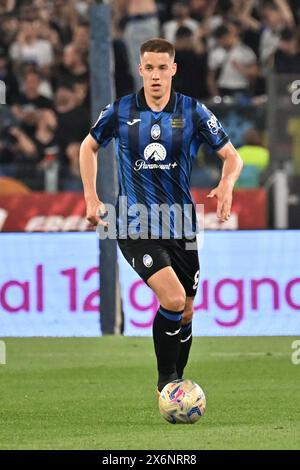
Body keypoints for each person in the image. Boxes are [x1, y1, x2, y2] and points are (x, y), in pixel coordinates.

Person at [79, 38, 243, 393]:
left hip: (182, 225)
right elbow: (88, 146)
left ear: (173, 69)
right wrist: (91, 198)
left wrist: (227, 184)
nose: (155, 75)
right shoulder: (120, 111)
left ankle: (177, 383)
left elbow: (233, 156)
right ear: (140, 70)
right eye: (149, 68)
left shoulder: (193, 112)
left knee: (185, 311)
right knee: (170, 299)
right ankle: (167, 383)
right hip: (134, 224)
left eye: (162, 68)